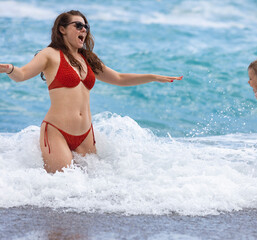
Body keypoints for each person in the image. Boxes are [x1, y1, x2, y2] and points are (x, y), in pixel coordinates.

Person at [0, 10, 182, 173]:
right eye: (78, 25)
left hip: (86, 134)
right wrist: (9, 68)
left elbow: (119, 78)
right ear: (62, 29)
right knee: (61, 187)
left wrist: (152, 77)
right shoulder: (50, 54)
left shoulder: (87, 59)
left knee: (90, 189)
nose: (84, 30)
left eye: (86, 26)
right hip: (57, 132)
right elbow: (22, 74)